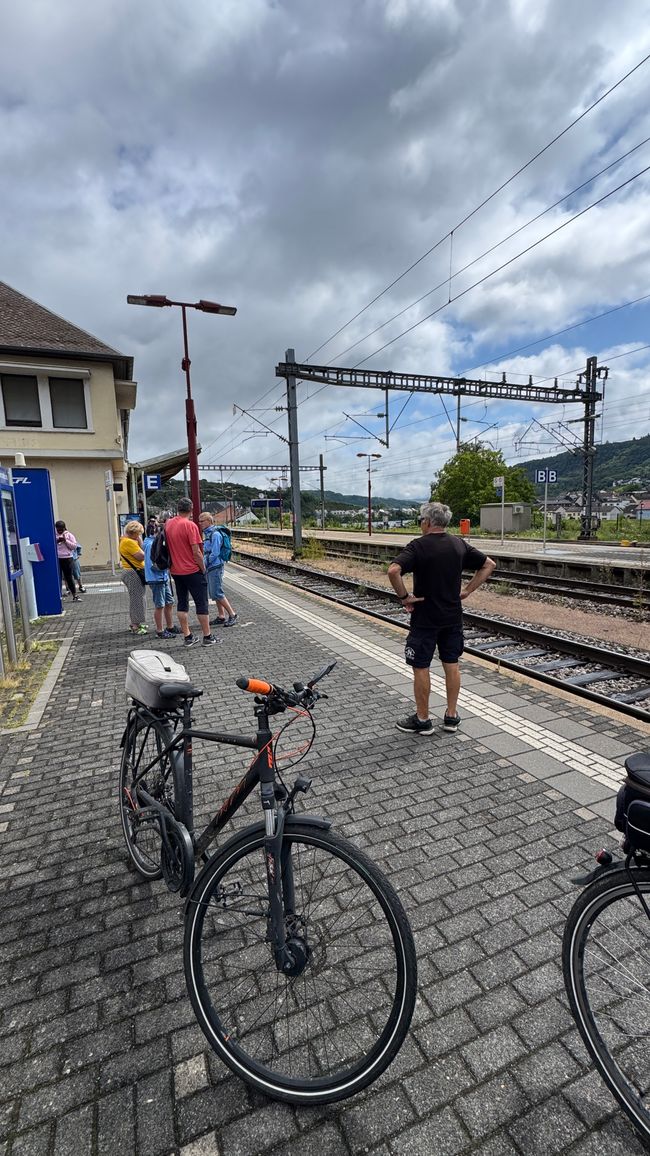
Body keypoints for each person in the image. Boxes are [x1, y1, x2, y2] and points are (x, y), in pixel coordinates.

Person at [387, 501, 495, 735]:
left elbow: (393, 570)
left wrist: (405, 597)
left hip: (425, 619)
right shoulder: (458, 544)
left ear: (426, 522)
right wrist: (467, 590)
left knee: (421, 666)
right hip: (452, 618)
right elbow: (488, 565)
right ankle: (451, 716)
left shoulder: (418, 546)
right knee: (451, 664)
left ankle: (423, 719)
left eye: (420, 521)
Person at [164, 498, 218, 647]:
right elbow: (197, 553)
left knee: (182, 603)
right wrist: (203, 568)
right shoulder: (190, 526)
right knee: (201, 603)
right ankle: (207, 636)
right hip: (192, 570)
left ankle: (188, 637)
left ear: (178, 508)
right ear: (191, 509)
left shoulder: (169, 524)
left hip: (175, 571)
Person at [198, 511, 238, 627]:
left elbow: (215, 552)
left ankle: (232, 614)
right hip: (211, 567)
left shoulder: (215, 534)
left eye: (202, 521)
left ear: (209, 521)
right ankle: (221, 616)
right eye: (199, 521)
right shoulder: (208, 533)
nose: (200, 523)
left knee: (217, 592)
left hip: (215, 566)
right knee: (214, 592)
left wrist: (204, 563)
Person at [143, 522, 181, 640]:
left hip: (162, 577)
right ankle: (160, 630)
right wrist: (166, 566)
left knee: (169, 602)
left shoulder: (152, 542)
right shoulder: (151, 544)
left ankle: (169, 626)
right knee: (159, 605)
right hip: (157, 578)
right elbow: (153, 564)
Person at [119, 520, 148, 636]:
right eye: (139, 534)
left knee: (139, 598)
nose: (139, 536)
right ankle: (135, 625)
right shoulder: (129, 542)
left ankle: (137, 622)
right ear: (133, 533)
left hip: (132, 572)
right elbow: (141, 556)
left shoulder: (125, 541)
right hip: (133, 573)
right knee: (137, 599)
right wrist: (140, 542)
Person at [55, 520, 81, 603]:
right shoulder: (53, 535)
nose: (59, 531)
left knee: (69, 577)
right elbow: (50, 545)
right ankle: (59, 595)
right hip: (57, 558)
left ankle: (75, 595)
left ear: (64, 528)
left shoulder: (69, 535)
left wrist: (65, 541)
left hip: (67, 558)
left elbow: (74, 547)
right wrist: (57, 541)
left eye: (61, 530)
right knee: (57, 577)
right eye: (58, 530)